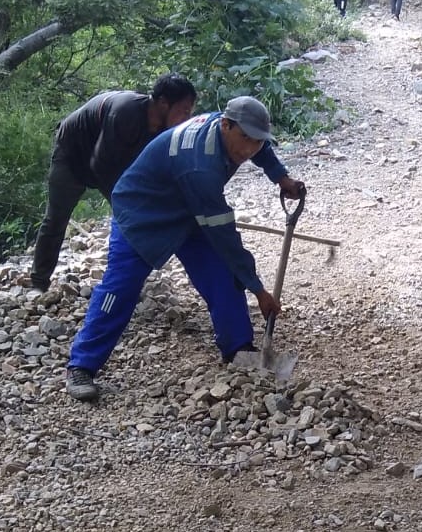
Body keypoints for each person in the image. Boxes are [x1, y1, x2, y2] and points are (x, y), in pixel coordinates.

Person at [64, 96, 305, 401]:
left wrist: (281, 178)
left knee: (222, 274)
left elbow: (259, 145)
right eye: (244, 139)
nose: (249, 149)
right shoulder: (200, 168)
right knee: (120, 288)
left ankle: (238, 348)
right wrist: (259, 290)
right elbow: (227, 239)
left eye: (256, 141)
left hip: (188, 210)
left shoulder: (232, 125)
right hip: (142, 212)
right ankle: (81, 366)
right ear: (226, 125)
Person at [28, 74, 198, 292]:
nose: (187, 116)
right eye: (184, 110)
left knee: (137, 215)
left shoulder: (165, 128)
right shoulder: (125, 112)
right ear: (164, 102)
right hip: (73, 154)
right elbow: (101, 167)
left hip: (111, 158)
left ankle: (126, 282)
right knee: (56, 219)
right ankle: (39, 282)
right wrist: (129, 206)